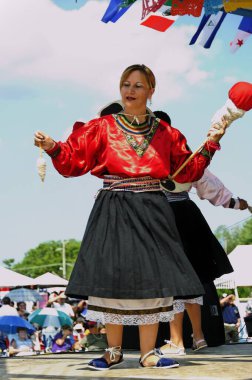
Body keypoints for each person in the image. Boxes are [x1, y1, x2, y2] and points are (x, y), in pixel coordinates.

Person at [34, 64, 227, 370]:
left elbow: (188, 171)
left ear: (151, 91)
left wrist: (211, 143)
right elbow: (74, 162)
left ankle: (149, 354)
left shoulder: (167, 133)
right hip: (114, 206)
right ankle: (113, 351)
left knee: (153, 279)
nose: (130, 90)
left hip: (152, 207)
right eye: (126, 84)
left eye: (138, 85)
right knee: (113, 276)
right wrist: (53, 147)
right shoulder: (102, 127)